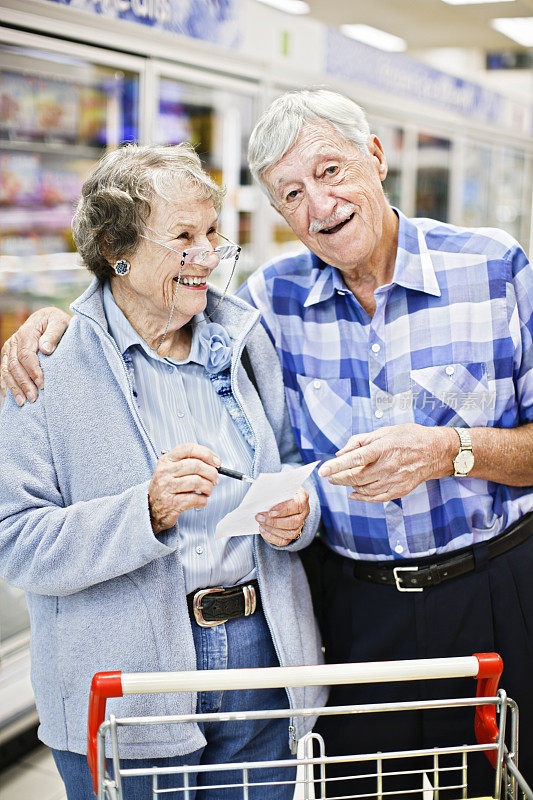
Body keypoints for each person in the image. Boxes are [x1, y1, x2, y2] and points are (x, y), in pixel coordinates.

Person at [3, 89, 533, 794]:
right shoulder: (259, 307)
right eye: (290, 192)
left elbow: (284, 467)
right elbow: (17, 537)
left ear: (374, 159)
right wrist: (56, 319)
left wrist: (445, 453)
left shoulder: (489, 268)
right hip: (337, 618)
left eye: (331, 172)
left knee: (504, 780)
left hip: (482, 590)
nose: (317, 205)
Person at [0, 142, 327, 800]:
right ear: (117, 250)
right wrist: (143, 512)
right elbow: (15, 544)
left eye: (211, 232)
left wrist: (299, 517)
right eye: (182, 236)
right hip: (125, 682)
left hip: (257, 664)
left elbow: (296, 466)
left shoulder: (243, 337)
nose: (206, 254)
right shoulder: (46, 364)